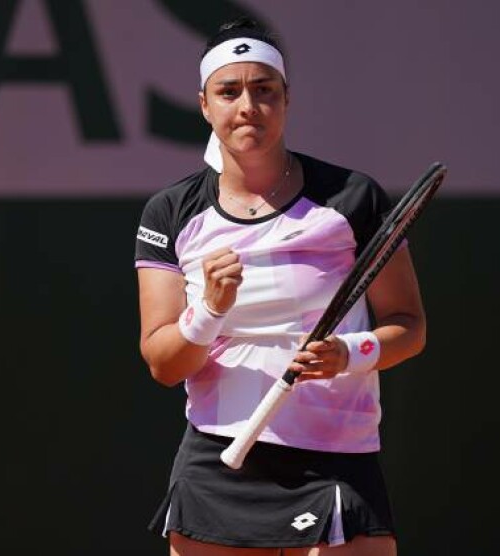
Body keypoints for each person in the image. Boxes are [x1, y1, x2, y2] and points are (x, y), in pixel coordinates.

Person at [134, 17, 426, 556]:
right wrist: (209, 311)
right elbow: (164, 364)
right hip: (216, 459)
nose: (248, 105)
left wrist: (349, 354)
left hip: (335, 459)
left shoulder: (352, 198)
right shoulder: (171, 212)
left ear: (286, 99)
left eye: (264, 89)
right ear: (205, 105)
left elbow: (409, 327)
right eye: (229, 91)